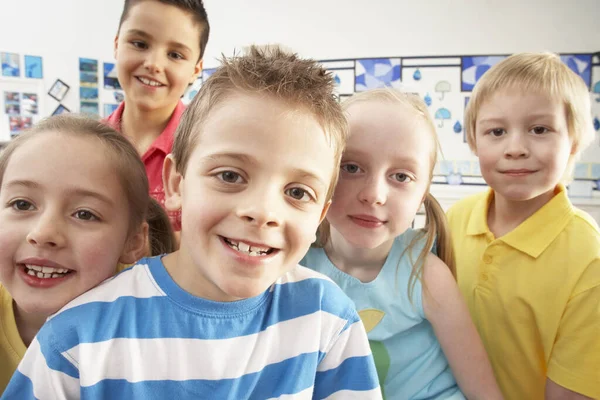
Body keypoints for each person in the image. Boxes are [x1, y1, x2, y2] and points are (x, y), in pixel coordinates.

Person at [2, 46, 381, 399]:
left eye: (298, 193)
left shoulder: (327, 316)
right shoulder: (76, 336)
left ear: (320, 214)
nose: (263, 212)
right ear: (175, 183)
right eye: (230, 176)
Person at [303, 88, 502, 400]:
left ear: (422, 194)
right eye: (352, 167)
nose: (374, 194)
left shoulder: (426, 274)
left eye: (400, 176)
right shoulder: (295, 264)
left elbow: (483, 391)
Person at [447, 52, 600, 400]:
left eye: (539, 129)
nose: (515, 148)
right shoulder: (455, 218)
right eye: (496, 131)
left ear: (574, 141)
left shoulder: (588, 254)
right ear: (473, 141)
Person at [0, 115, 149, 394]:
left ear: (133, 241)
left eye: (84, 214)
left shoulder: (153, 338)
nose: (43, 233)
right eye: (22, 204)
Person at [106, 0, 210, 232]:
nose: (153, 64)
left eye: (175, 54)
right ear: (116, 44)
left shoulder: (209, 150)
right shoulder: (86, 146)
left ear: (195, 69)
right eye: (139, 44)